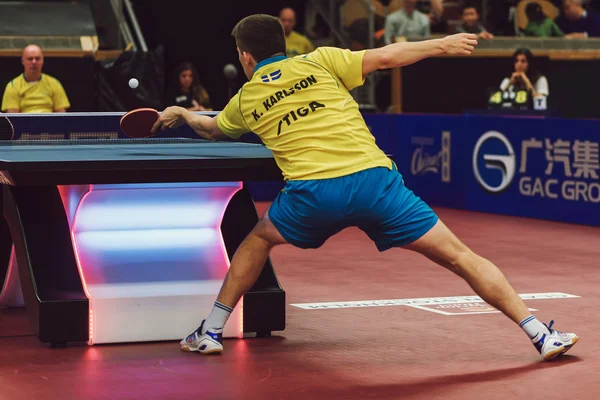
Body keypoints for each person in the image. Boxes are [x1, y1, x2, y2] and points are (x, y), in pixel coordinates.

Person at [152, 14, 578, 360]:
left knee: (259, 238)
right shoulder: (320, 60)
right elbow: (388, 55)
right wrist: (440, 45)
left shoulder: (245, 99)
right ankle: (541, 334)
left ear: (246, 57)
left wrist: (183, 114)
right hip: (376, 184)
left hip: (314, 195)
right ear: (283, 44)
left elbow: (212, 131)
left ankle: (210, 331)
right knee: (461, 257)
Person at [1, 44, 70, 113]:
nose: (34, 62)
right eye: (30, 59)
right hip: (24, 123)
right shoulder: (12, 86)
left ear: (42, 60)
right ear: (23, 61)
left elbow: (61, 116)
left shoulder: (54, 83)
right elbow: (12, 120)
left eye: (37, 58)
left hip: (49, 123)